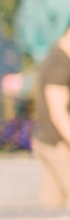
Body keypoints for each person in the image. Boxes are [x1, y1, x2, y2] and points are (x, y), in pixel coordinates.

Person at [34, 25, 70, 208]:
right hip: (58, 145)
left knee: (51, 206)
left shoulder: (57, 58)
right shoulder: (60, 65)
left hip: (48, 141)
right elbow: (58, 113)